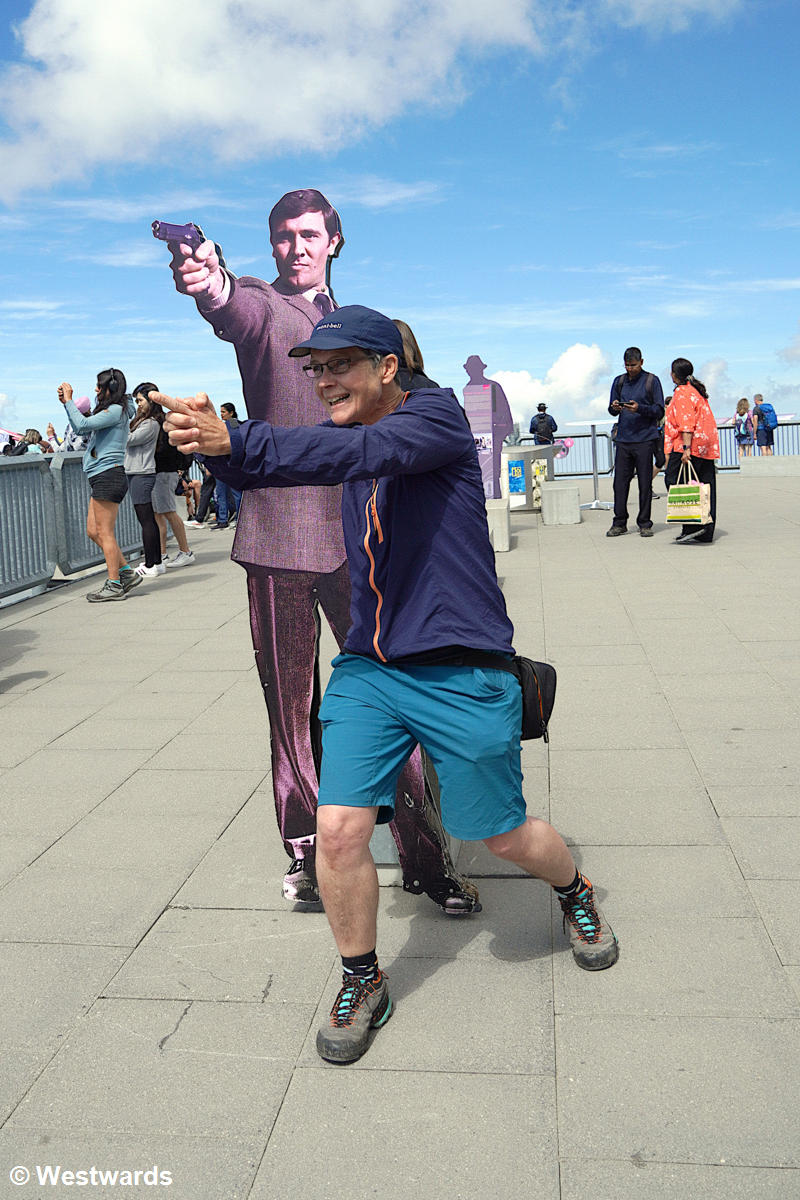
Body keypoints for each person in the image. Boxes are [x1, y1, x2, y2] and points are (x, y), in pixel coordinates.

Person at [157, 305, 619, 1064]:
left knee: (500, 833)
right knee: (338, 830)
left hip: (459, 670)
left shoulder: (430, 417)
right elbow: (282, 466)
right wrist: (212, 444)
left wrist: (239, 435)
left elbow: (352, 452)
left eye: (338, 366)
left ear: (388, 368)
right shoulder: (350, 437)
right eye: (314, 370)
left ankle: (574, 892)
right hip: (370, 670)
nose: (322, 380)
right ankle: (362, 978)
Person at [163, 188, 477, 914]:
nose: (296, 246)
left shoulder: (356, 330)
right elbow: (229, 306)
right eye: (282, 236)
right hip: (276, 541)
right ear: (270, 247)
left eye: (308, 234)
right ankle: (307, 857)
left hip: (359, 541)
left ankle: (427, 857)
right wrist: (209, 281)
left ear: (335, 238)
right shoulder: (263, 308)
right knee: (292, 710)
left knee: (398, 703)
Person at [57, 371, 140, 602]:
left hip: (108, 474)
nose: (95, 390)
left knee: (105, 532)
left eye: (98, 386)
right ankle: (126, 574)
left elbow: (81, 425)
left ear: (109, 389)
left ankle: (114, 585)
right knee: (93, 531)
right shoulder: (118, 410)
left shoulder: (115, 411)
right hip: (102, 474)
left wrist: (69, 402)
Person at [607, 348, 665, 538]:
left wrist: (640, 409)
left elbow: (659, 410)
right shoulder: (619, 381)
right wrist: (615, 407)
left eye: (633, 365)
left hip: (645, 439)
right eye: (627, 365)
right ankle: (619, 522)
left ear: (641, 362)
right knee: (620, 484)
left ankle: (645, 523)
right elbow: (611, 411)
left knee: (645, 484)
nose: (630, 369)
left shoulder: (652, 381)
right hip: (623, 439)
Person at [663, 358, 719, 545]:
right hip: (706, 444)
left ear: (673, 374)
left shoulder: (682, 393)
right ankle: (705, 530)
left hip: (689, 444)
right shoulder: (696, 390)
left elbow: (686, 422)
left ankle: (693, 525)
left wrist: (686, 448)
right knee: (704, 484)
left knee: (675, 481)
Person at [125, 385, 163, 579]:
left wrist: (120, 422)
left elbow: (128, 439)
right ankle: (156, 562)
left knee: (146, 520)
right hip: (138, 472)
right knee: (148, 520)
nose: (138, 404)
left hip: (141, 473)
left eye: (140, 400)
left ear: (151, 401)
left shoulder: (150, 423)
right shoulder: (146, 421)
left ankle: (150, 564)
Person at [211, 403, 242, 528]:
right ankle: (222, 520)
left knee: (235, 493)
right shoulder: (222, 425)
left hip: (229, 464)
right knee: (221, 493)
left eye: (223, 412)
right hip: (221, 463)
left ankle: (238, 519)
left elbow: (236, 441)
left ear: (231, 413)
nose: (221, 414)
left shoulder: (234, 424)